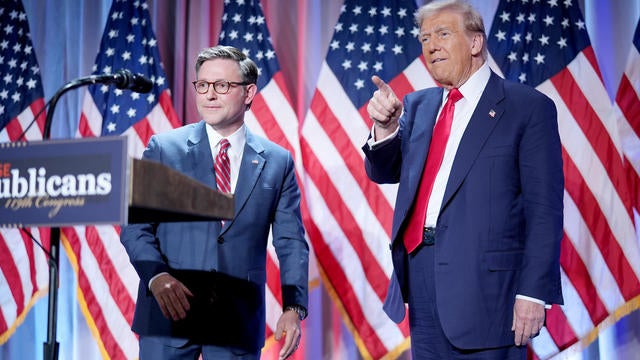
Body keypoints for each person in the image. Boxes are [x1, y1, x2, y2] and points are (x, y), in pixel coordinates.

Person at [362, 0, 564, 358]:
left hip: (489, 288)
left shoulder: (527, 107)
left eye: (443, 34)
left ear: (475, 43)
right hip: (421, 277)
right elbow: (384, 171)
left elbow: (544, 209)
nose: (431, 46)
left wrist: (533, 293)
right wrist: (386, 127)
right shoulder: (418, 106)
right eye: (425, 38)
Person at [120, 45, 309, 360]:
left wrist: (293, 307)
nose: (209, 95)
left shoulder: (277, 161)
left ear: (248, 93)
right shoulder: (165, 149)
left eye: (221, 86)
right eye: (202, 85)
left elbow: (290, 241)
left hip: (235, 319)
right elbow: (136, 226)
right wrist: (156, 276)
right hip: (170, 314)